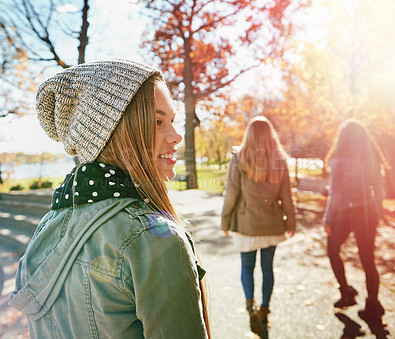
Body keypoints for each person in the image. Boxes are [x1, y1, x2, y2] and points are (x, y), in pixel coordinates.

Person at [9, 59, 210, 338]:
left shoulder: (47, 226)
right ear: (112, 133)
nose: (176, 136)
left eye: (172, 121)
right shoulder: (152, 239)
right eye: (157, 121)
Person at [221, 116, 296, 337]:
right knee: (267, 269)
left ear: (249, 135)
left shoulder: (239, 157)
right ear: (271, 135)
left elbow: (231, 193)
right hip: (272, 224)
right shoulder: (279, 160)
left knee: (247, 267)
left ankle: (250, 305)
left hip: (246, 225)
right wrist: (290, 223)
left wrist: (225, 221)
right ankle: (265, 309)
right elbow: (287, 197)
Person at [323, 119, 387, 323]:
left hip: (343, 214)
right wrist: (377, 213)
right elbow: (379, 189)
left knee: (332, 250)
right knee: (368, 258)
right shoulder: (371, 159)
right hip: (367, 213)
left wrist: (327, 218)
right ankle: (373, 304)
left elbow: (335, 194)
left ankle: (346, 291)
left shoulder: (338, 161)